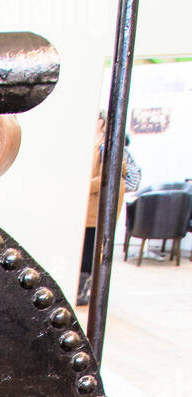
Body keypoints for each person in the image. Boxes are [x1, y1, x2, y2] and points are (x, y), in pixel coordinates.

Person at [77, 114, 126, 307]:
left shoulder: (106, 145)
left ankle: (83, 289)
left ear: (102, 121)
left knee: (90, 249)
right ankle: (83, 287)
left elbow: (111, 174)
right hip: (89, 206)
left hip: (95, 208)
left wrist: (83, 186)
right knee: (86, 248)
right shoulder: (94, 143)